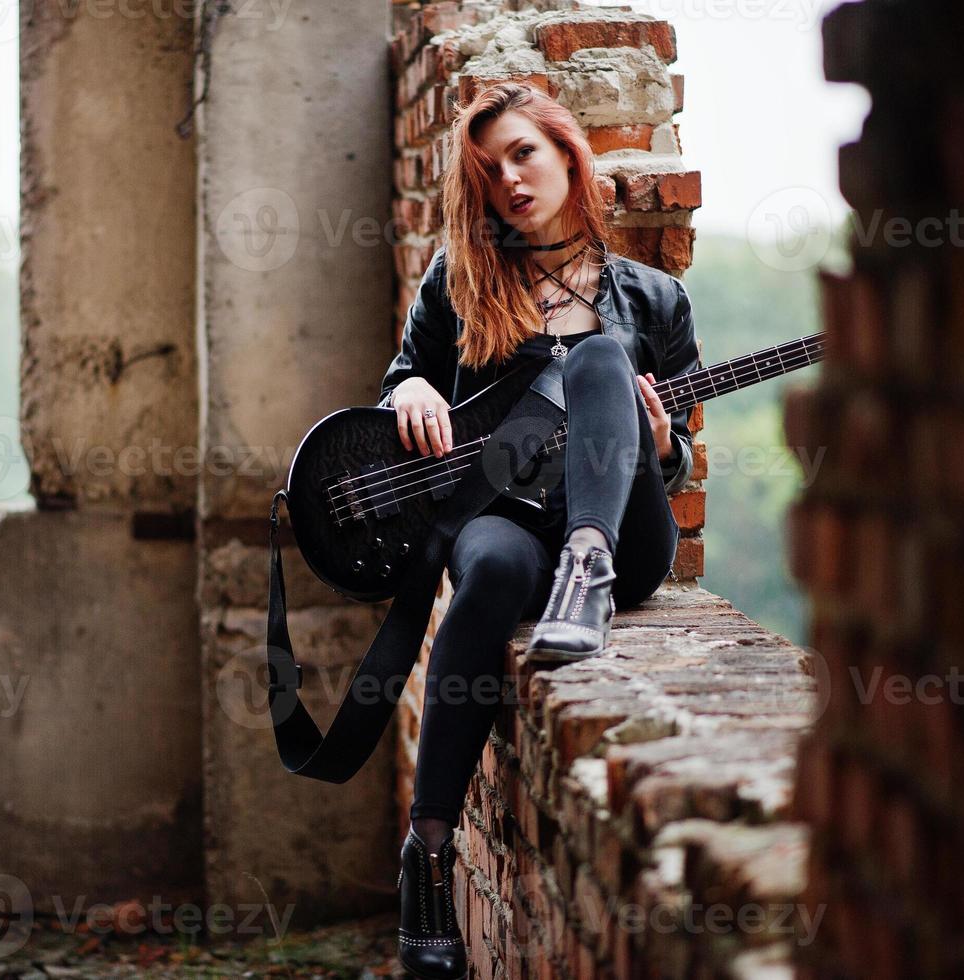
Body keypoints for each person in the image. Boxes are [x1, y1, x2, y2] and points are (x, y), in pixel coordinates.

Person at [379, 82, 701, 979]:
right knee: (480, 572)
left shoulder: (653, 300)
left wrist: (662, 442)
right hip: (509, 522)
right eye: (488, 169)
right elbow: (402, 379)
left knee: (600, 356)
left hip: (619, 543)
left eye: (524, 153)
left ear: (565, 153)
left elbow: (675, 474)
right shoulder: (460, 280)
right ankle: (429, 852)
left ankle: (586, 570)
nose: (510, 179)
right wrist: (408, 388)